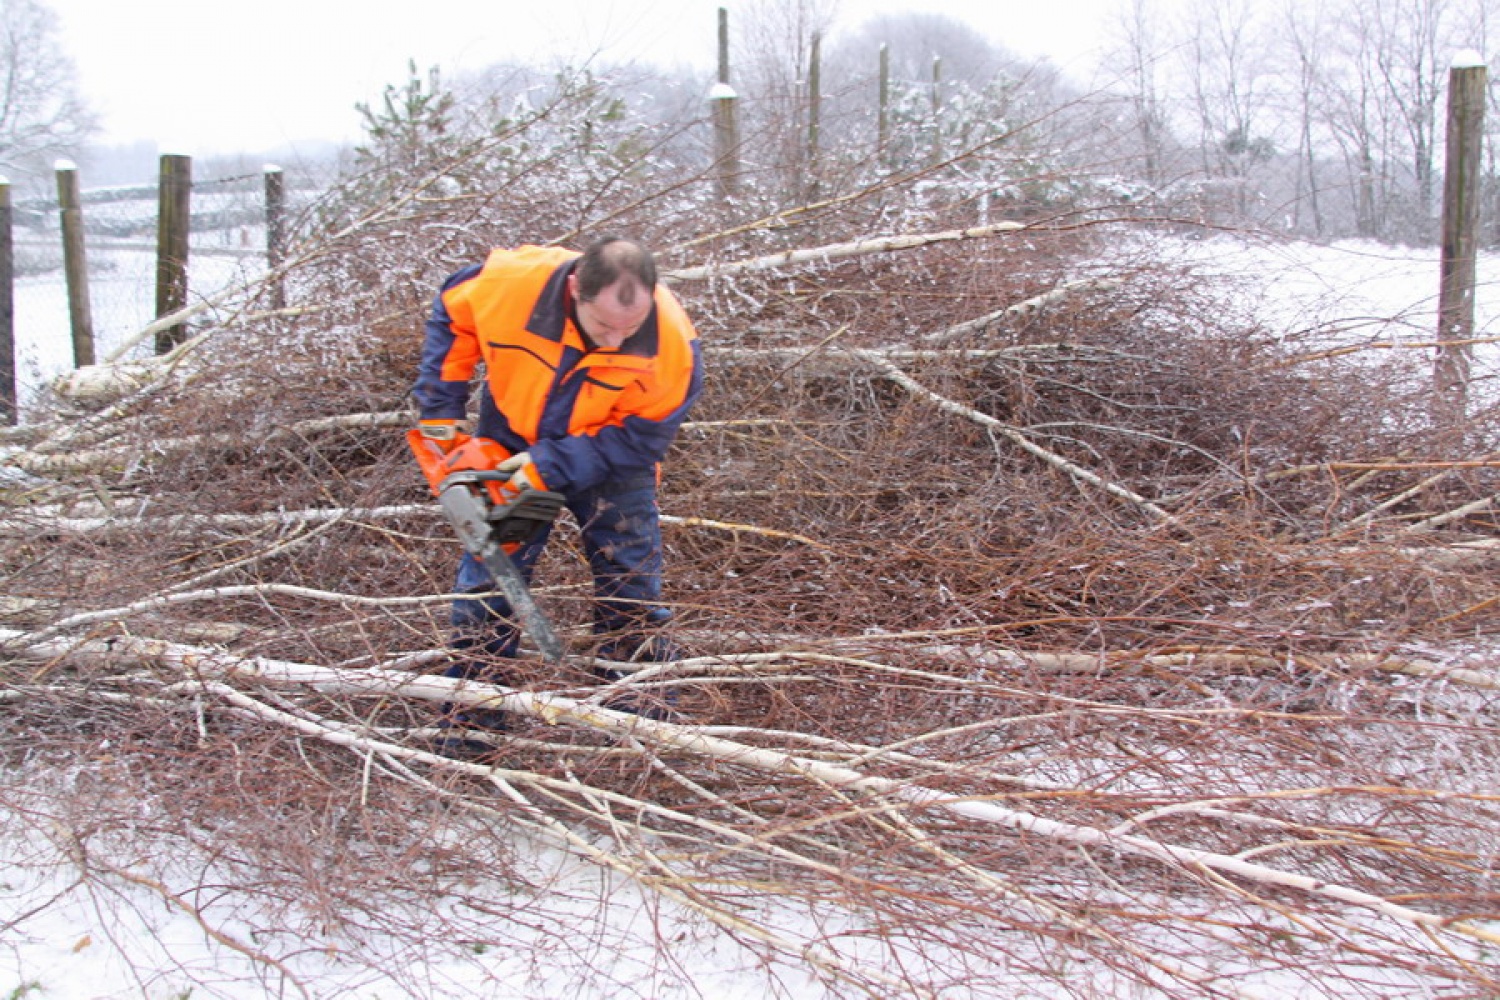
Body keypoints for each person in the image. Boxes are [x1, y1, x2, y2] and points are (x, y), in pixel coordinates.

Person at [413, 237, 703, 725]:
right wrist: (441, 418)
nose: (616, 340)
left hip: (614, 458)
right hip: (512, 432)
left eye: (629, 328)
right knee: (490, 583)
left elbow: (642, 439)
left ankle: (639, 711)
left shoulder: (671, 346)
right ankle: (474, 714)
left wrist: (546, 466)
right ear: (575, 290)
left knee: (629, 580)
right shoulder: (509, 285)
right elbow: (452, 313)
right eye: (604, 326)